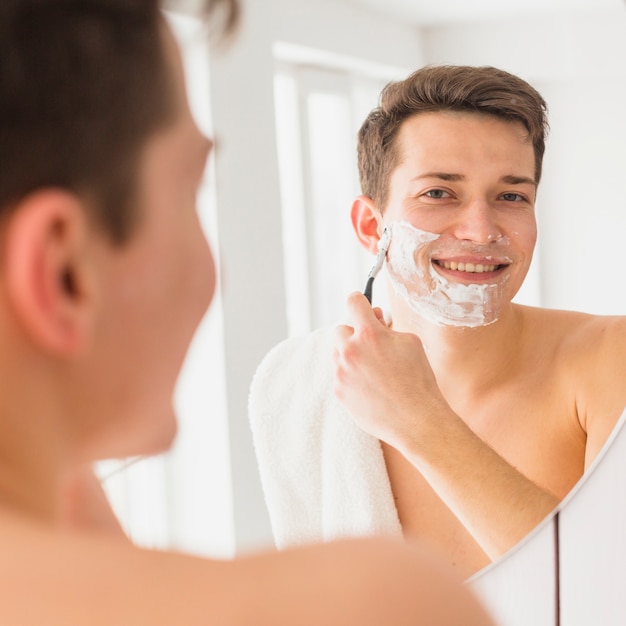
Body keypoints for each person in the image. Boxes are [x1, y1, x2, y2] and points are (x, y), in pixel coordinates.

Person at [0, 1, 496, 624]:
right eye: (191, 188)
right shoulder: (387, 602)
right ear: (64, 271)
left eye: (512, 195)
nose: (481, 230)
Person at [249, 64, 626, 578]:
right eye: (438, 193)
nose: (481, 230)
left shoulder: (607, 358)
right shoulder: (296, 383)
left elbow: (600, 594)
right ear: (369, 225)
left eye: (512, 195)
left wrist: (419, 421)